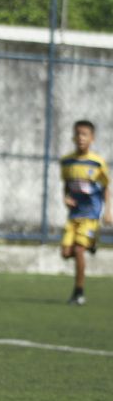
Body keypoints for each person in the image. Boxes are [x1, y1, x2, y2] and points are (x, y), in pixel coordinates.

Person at [60, 120, 111, 306]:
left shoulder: (97, 163)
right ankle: (91, 243)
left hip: (90, 215)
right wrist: (65, 198)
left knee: (79, 250)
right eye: (77, 134)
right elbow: (66, 185)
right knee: (66, 253)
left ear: (92, 138)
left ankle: (78, 293)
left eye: (84, 134)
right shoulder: (67, 161)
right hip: (74, 215)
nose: (80, 138)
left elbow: (106, 187)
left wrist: (108, 212)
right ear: (73, 137)